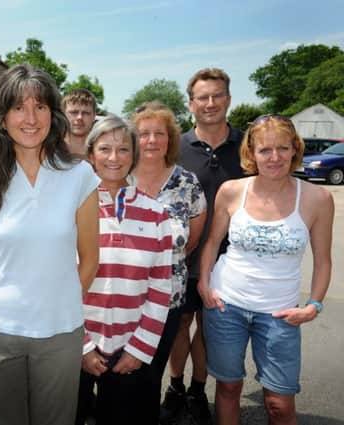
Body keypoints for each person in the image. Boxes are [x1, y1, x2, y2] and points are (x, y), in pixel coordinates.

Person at [0, 63, 100, 425]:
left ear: (53, 115)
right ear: (2, 117)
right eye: (19, 107)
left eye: (39, 106)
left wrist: (58, 301)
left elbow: (90, 259)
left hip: (59, 332)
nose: (30, 118)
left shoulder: (80, 175)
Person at [198, 114, 333, 425]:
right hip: (225, 306)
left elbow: (324, 260)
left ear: (295, 150)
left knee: (279, 404)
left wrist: (313, 305)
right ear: (251, 153)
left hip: (280, 313)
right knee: (229, 387)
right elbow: (211, 243)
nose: (275, 157)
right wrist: (204, 285)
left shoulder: (318, 198)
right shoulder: (231, 191)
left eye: (283, 149)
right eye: (265, 150)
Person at [75, 114, 173, 425]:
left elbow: (160, 290)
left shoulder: (157, 214)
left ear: (134, 155)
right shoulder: (71, 210)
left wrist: (139, 350)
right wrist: (83, 347)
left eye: (123, 149)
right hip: (75, 344)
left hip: (131, 348)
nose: (114, 158)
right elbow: (57, 283)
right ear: (91, 155)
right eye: (104, 149)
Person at [161, 68, 244, 425]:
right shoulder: (174, 147)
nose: (210, 103)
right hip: (183, 256)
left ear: (228, 99)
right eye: (202, 97)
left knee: (210, 328)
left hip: (231, 260)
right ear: (191, 103)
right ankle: (175, 387)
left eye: (217, 96)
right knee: (180, 323)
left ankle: (198, 389)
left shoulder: (248, 145)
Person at [129, 102, 207, 423]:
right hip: (119, 299)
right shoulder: (116, 179)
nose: (150, 140)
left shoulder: (186, 183)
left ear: (169, 139)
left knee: (151, 373)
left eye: (158, 134)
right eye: (143, 134)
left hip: (167, 299)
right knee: (120, 375)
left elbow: (190, 242)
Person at [63, 88, 97, 156]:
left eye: (86, 113)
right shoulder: (49, 150)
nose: (79, 117)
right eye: (74, 112)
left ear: (94, 116)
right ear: (63, 115)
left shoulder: (103, 153)